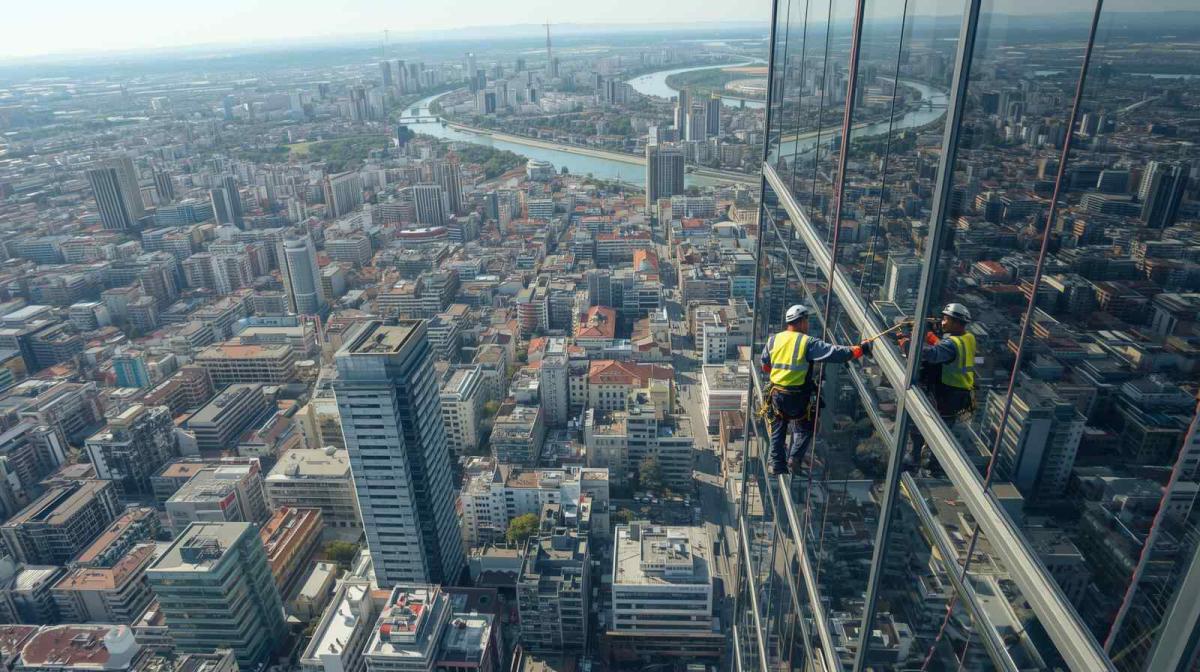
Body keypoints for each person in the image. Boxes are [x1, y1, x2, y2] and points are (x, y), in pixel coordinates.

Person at [761, 304, 873, 476]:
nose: (807, 325)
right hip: (797, 397)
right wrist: (860, 349)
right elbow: (836, 353)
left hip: (776, 394)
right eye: (806, 321)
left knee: (778, 426)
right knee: (807, 426)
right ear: (801, 322)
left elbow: (765, 366)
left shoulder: (773, 340)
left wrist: (781, 374)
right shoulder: (807, 342)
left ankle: (776, 464)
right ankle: (794, 458)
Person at [899, 302, 977, 473]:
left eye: (946, 319)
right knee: (945, 428)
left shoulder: (951, 345)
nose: (942, 322)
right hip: (959, 393)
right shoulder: (968, 338)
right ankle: (934, 463)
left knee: (924, 424)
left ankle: (916, 457)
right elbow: (946, 347)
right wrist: (930, 337)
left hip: (947, 394)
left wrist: (906, 343)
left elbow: (930, 355)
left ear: (956, 322)